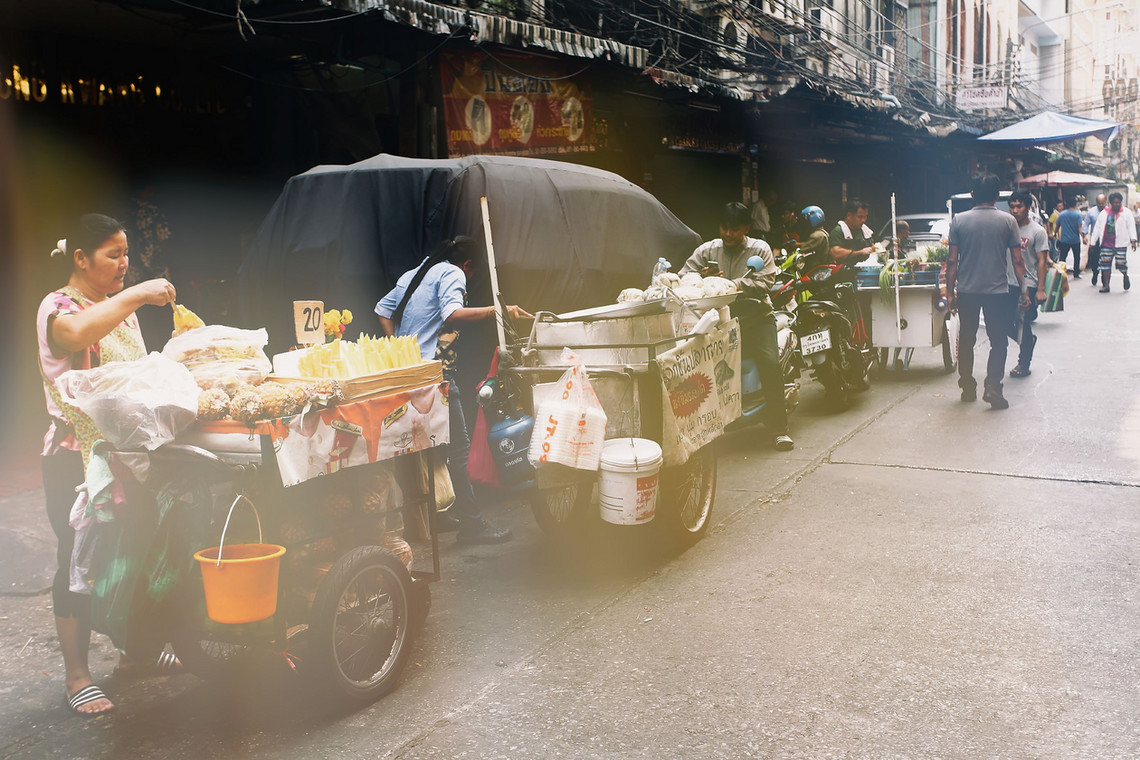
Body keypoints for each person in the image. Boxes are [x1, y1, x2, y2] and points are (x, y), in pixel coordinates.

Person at [38, 214, 179, 716]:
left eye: (126, 254)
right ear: (81, 258)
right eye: (113, 255)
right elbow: (76, 336)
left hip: (128, 454)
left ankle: (134, 654)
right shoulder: (57, 308)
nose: (124, 264)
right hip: (76, 459)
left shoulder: (121, 309)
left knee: (135, 551)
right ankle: (77, 676)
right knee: (76, 561)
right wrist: (138, 293)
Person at [375, 236, 532, 543]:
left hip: (407, 375)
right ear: (468, 265)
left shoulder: (414, 274)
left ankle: (436, 518)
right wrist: (497, 311)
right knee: (458, 450)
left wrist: (400, 348)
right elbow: (451, 313)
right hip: (435, 376)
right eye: (472, 274)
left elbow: (382, 310)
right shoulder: (453, 273)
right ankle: (473, 526)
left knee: (424, 451)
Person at [680, 202, 793, 451]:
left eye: (734, 228)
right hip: (720, 321)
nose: (728, 234)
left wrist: (729, 284)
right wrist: (701, 277)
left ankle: (779, 429)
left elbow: (765, 282)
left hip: (756, 317)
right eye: (724, 228)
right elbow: (683, 278)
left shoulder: (760, 249)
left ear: (746, 227)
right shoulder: (707, 250)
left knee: (770, 364)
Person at [946, 175, 1026, 410]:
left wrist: (950, 293)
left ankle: (967, 386)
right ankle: (992, 386)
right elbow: (1018, 260)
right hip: (997, 292)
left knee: (967, 340)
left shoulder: (959, 220)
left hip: (967, 291)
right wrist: (1024, 291)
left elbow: (952, 261)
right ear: (997, 196)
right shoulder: (1008, 221)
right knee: (998, 340)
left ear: (972, 195)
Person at [1006, 192, 1050, 379]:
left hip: (1027, 283)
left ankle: (1023, 364)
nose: (1015, 210)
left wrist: (1040, 289)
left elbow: (1042, 262)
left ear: (1028, 207)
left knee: (1023, 323)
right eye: (1012, 206)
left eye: (1019, 206)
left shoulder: (1037, 231)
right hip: (1006, 282)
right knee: (1003, 322)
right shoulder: (1007, 228)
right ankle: (1027, 341)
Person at [1089, 191, 1138, 293]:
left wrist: (1133, 240)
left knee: (1121, 264)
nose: (1117, 204)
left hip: (1121, 244)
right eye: (1115, 202)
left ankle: (1125, 275)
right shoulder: (1104, 213)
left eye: (1118, 202)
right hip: (1106, 244)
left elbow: (1131, 227)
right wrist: (1092, 243)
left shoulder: (1126, 213)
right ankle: (1106, 286)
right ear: (1110, 202)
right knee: (1105, 265)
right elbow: (1097, 229)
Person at [828, 199, 874, 265]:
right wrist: (860, 252)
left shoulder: (865, 230)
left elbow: (872, 247)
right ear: (849, 215)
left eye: (865, 216)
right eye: (860, 217)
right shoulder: (838, 231)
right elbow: (835, 253)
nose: (863, 220)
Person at [1054, 196, 1084, 278]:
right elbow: (1079, 228)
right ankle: (1076, 273)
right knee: (1076, 257)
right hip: (1075, 240)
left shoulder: (1062, 214)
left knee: (1063, 257)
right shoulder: (1078, 214)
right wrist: (1083, 237)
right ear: (1075, 204)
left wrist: (1054, 234)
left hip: (1064, 240)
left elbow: (1057, 225)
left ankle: (1060, 273)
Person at [1081, 193, 1107, 285]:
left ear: (1106, 202)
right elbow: (1086, 225)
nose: (1101, 205)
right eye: (1099, 203)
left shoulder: (1109, 212)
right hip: (1095, 240)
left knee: (1106, 260)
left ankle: (1105, 279)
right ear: (1096, 202)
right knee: (1095, 259)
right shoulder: (1091, 212)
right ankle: (1095, 274)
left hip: (1107, 240)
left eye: (1103, 203)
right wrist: (1084, 236)